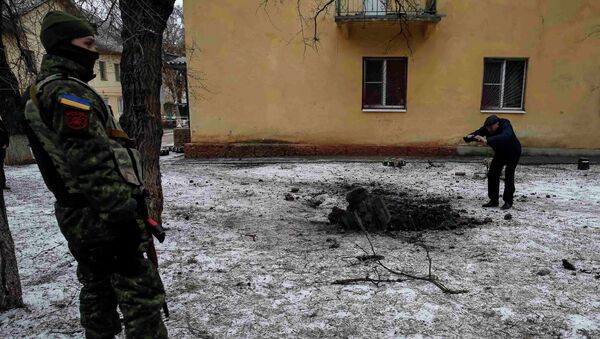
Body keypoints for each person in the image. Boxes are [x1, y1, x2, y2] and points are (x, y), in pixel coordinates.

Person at [19, 11, 167, 338]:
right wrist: (124, 220)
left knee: (98, 286)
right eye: (87, 44)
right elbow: (93, 165)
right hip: (102, 216)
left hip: (80, 214)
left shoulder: (41, 91)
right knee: (140, 296)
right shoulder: (67, 94)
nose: (94, 52)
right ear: (63, 46)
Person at [464, 115, 522, 210]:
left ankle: (508, 201)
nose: (489, 130)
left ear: (497, 124)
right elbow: (478, 133)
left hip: (513, 152)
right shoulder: (488, 128)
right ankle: (494, 200)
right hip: (500, 153)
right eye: (487, 127)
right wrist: (468, 137)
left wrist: (487, 140)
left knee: (509, 175)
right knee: (492, 174)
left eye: (491, 127)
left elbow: (505, 137)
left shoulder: (506, 125)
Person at [0, 117, 9, 189]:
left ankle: (3, 184)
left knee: (0, 167)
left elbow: (6, 134)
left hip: (1, 149)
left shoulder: (1, 123)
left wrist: (6, 144)